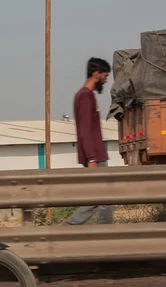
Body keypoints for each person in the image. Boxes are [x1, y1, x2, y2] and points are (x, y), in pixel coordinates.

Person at [64, 57, 114, 226]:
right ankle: (70, 228)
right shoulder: (85, 96)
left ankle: (98, 234)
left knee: (102, 199)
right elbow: (85, 130)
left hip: (96, 156)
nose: (106, 80)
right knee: (104, 199)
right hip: (96, 158)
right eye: (105, 76)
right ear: (96, 74)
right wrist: (92, 159)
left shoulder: (85, 95)